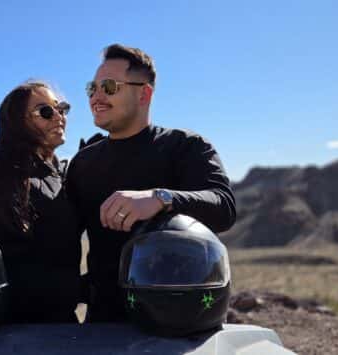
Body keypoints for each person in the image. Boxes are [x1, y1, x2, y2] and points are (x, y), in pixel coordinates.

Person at [66, 44, 236, 322]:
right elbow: (62, 239)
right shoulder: (83, 163)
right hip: (104, 325)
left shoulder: (186, 146)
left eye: (109, 86)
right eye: (92, 88)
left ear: (144, 93)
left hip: (180, 324)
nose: (96, 96)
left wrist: (160, 199)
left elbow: (224, 208)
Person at [0, 81, 81, 323]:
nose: (59, 117)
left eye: (62, 108)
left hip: (60, 322)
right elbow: (6, 272)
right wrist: (82, 289)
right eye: (45, 111)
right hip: (18, 333)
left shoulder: (53, 173)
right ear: (18, 124)